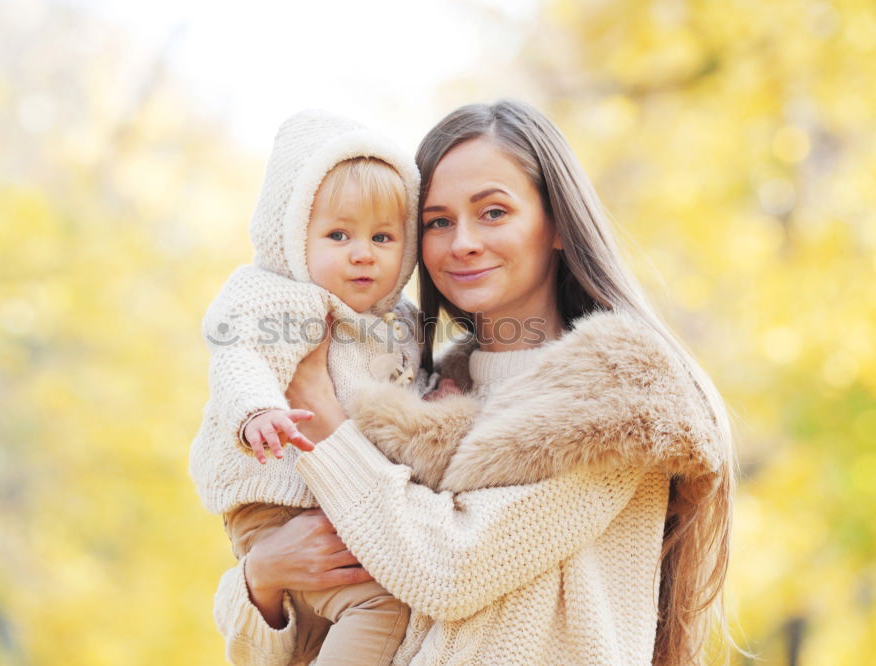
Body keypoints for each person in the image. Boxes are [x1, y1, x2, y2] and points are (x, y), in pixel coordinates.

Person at [212, 100, 735, 665]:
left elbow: (450, 570)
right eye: (438, 221)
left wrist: (323, 416)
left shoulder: (622, 395)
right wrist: (260, 580)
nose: (461, 242)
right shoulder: (419, 394)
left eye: (492, 212)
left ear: (557, 225)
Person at [190, 109, 428, 665]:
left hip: (343, 503)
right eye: (338, 235)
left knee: (354, 619)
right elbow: (237, 354)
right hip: (276, 504)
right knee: (381, 605)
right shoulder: (281, 298)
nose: (362, 252)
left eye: (383, 236)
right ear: (294, 236)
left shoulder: (403, 323)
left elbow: (401, 393)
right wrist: (257, 412)